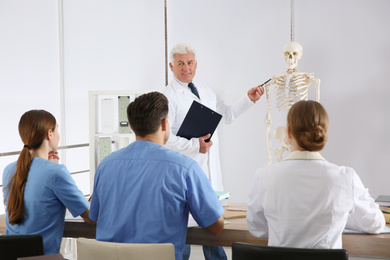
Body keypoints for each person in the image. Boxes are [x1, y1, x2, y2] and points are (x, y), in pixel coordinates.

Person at [89, 92, 225, 260]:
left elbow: (94, 217)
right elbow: (216, 226)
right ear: (164, 124)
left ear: (131, 126)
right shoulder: (185, 168)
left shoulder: (105, 165)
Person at [163, 42, 264, 260]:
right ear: (171, 66)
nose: (186, 67)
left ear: (196, 64)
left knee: (214, 232)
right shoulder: (167, 97)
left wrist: (248, 99)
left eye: (190, 62)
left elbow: (226, 115)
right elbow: (164, 138)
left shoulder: (206, 90)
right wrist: (193, 146)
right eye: (180, 63)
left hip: (210, 174)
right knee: (185, 234)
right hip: (185, 174)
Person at [247, 100, 385, 249]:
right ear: (322, 132)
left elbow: (256, 228)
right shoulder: (345, 177)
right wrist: (341, 215)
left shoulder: (264, 176)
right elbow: (375, 224)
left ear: (288, 133)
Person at [2, 110, 95, 255]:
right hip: (42, 257)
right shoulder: (55, 172)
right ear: (49, 134)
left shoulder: (9, 170)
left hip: (8, 255)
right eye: (57, 129)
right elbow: (90, 217)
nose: (59, 135)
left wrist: (46, 163)